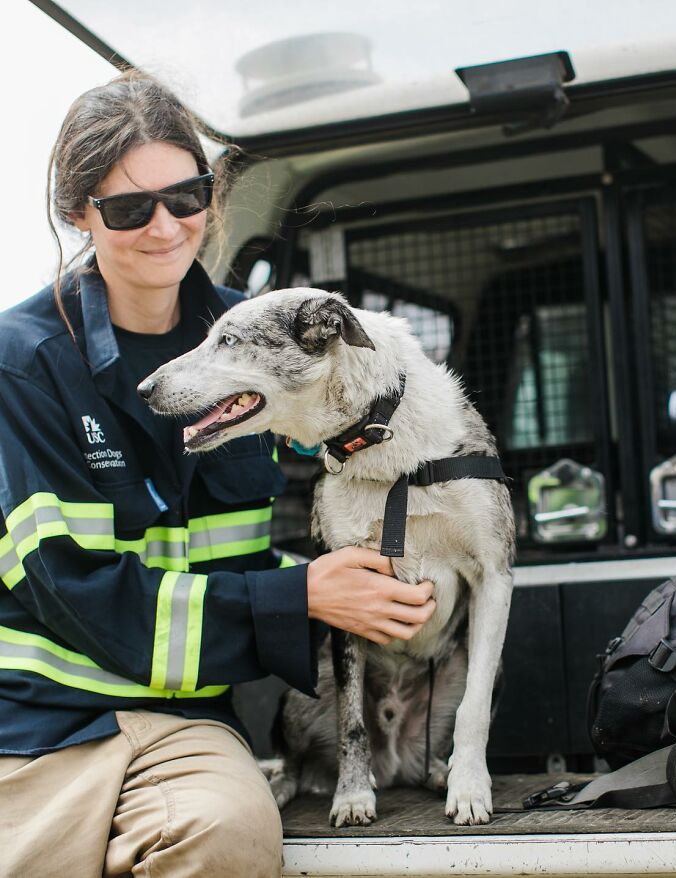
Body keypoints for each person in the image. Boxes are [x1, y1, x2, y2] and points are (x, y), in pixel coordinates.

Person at [0, 70, 436, 878]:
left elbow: (317, 510)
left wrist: (375, 582)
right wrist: (302, 595)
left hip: (188, 725)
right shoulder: (20, 363)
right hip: (35, 727)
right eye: (130, 209)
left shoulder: (265, 340)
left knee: (230, 833)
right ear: (77, 213)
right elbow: (73, 592)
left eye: (186, 196)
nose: (166, 227)